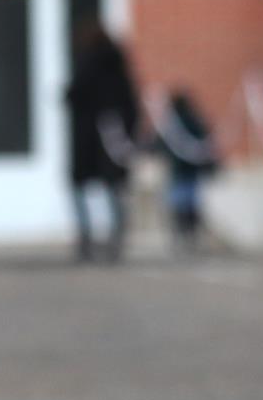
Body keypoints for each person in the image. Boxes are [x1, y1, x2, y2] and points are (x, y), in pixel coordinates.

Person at [65, 19, 140, 263]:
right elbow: (131, 104)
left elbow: (73, 95)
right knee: (114, 186)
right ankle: (115, 238)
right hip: (113, 136)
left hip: (89, 135)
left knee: (81, 186)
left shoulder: (86, 63)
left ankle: (86, 238)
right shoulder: (118, 66)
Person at [153, 86, 220, 252]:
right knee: (190, 205)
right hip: (191, 172)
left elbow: (160, 144)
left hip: (177, 172)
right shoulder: (195, 120)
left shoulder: (171, 124)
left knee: (178, 205)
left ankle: (181, 235)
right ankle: (191, 235)